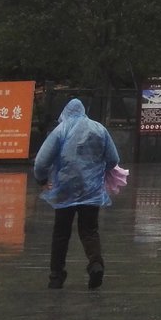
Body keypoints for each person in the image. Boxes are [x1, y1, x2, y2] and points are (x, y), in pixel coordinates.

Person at [34, 98, 121, 290]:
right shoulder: (99, 129)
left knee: (61, 233)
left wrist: (41, 179)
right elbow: (113, 159)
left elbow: (41, 161)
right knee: (89, 230)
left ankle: (56, 276)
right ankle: (96, 264)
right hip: (91, 190)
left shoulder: (61, 130)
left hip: (65, 189)